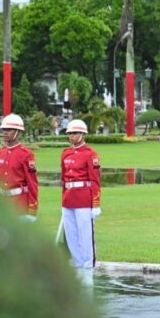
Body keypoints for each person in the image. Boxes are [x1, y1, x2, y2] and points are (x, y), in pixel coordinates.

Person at [60, 119, 102, 286]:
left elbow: (95, 180)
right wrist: (63, 200)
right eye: (70, 133)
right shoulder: (65, 153)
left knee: (85, 235)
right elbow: (63, 179)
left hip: (84, 198)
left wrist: (96, 204)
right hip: (68, 199)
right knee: (71, 236)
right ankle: (78, 266)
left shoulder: (90, 154)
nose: (72, 136)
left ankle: (88, 268)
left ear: (83, 134)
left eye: (75, 133)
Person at [0, 114, 38, 221]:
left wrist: (32, 207)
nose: (5, 132)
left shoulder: (26, 154)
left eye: (9, 130)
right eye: (4, 129)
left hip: (19, 204)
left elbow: (32, 183)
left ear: (18, 132)